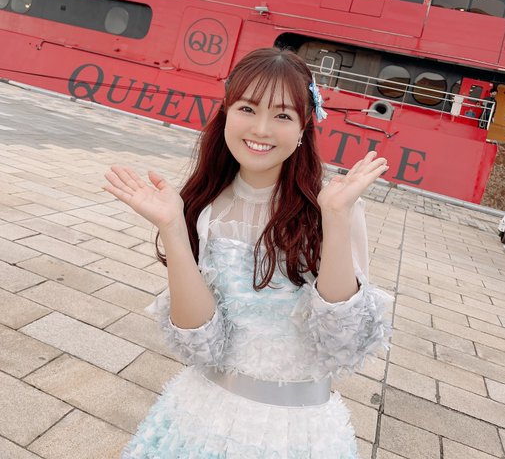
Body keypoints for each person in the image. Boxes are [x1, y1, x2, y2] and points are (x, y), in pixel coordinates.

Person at [104, 47, 392, 459]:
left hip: (298, 434)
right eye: (247, 108)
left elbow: (340, 344)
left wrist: (335, 218)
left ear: (304, 126)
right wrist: (172, 227)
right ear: (225, 112)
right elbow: (202, 346)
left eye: (282, 115)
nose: (261, 129)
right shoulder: (205, 205)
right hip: (200, 420)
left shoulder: (335, 205)